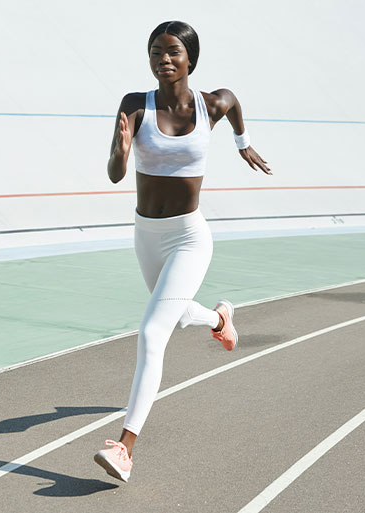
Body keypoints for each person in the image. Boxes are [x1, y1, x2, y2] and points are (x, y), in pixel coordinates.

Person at [93, 20, 271, 483]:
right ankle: (219, 319)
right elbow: (115, 174)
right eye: (156, 52)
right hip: (147, 234)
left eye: (172, 51)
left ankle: (125, 448)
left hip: (189, 237)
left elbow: (232, 104)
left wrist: (242, 143)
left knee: (153, 333)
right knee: (171, 315)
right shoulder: (135, 105)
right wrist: (121, 150)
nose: (163, 59)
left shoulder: (212, 104)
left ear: (190, 57)